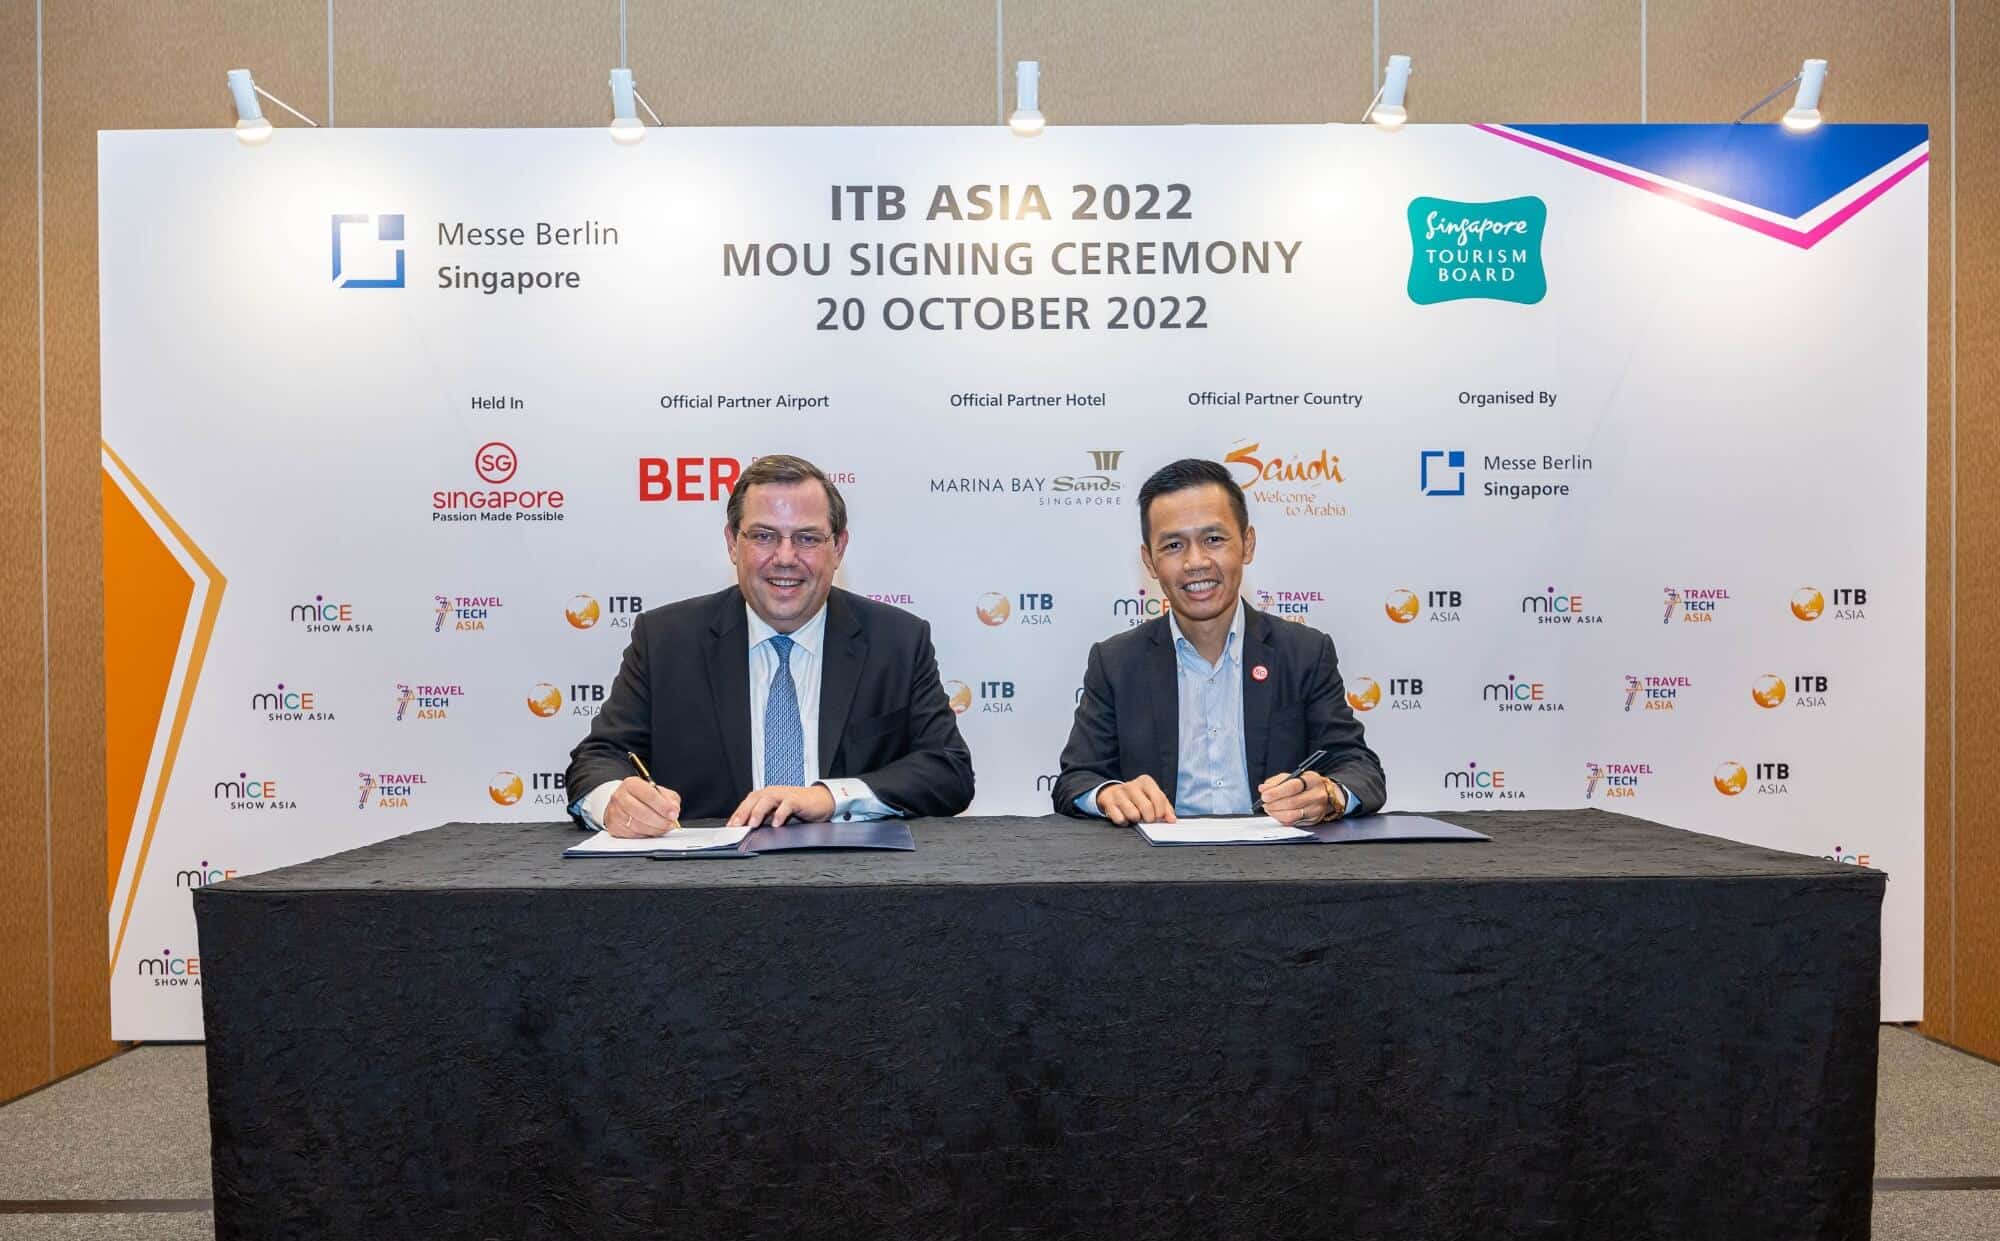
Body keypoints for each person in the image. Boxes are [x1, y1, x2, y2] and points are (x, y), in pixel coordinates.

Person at [567, 454, 974, 835]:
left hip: (858, 885)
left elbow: (947, 770)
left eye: (808, 539)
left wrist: (830, 796)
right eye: (763, 536)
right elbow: (598, 758)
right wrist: (613, 801)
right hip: (706, 890)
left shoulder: (897, 640)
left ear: (839, 548)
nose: (784, 557)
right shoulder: (666, 639)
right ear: (732, 543)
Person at [1052, 458, 1386, 826]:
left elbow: (1359, 767)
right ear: (1149, 561)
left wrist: (1328, 794)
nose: (1196, 562)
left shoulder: (1304, 652)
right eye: (1174, 545)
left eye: (1214, 539)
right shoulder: (1116, 662)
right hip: (1156, 870)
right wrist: (1107, 793)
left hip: (1280, 869)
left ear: (1247, 544)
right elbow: (1075, 780)